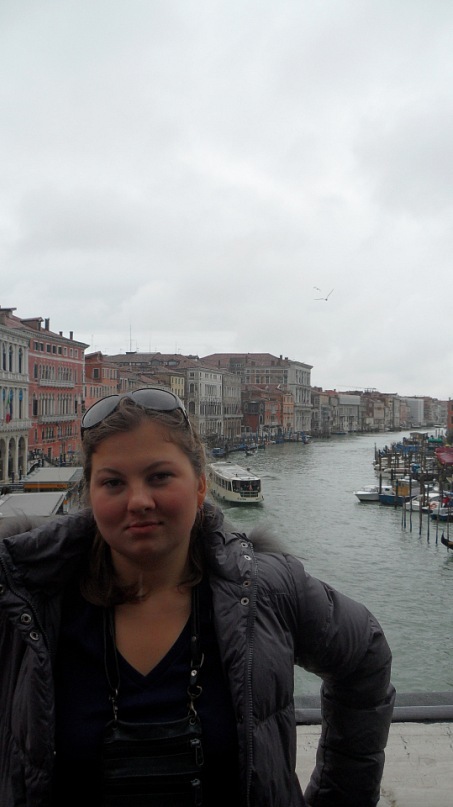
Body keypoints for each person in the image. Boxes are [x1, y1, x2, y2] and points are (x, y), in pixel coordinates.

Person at [0, 387, 395, 807]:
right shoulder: (21, 599)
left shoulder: (269, 589)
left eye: (159, 477)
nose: (139, 501)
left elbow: (365, 656)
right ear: (90, 495)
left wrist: (340, 796)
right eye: (113, 482)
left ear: (201, 485)